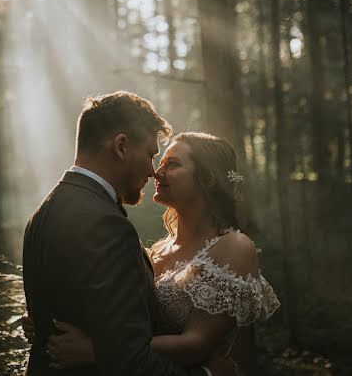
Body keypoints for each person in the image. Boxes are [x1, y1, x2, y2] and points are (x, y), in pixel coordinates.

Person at [40, 131, 280, 375]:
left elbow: (195, 345)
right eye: (161, 162)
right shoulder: (157, 249)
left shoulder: (234, 247)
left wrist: (95, 350)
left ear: (207, 178)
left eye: (172, 164)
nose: (156, 172)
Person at [22, 91, 220, 376]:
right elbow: (131, 361)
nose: (153, 172)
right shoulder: (105, 224)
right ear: (122, 146)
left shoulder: (45, 211)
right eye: (151, 154)